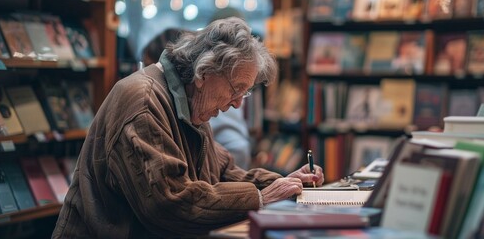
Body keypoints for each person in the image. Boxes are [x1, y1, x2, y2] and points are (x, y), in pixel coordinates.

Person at [52, 17, 324, 238]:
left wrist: (284, 183)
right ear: (204, 74)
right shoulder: (144, 102)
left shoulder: (190, 102)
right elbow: (170, 203)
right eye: (236, 89)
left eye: (246, 93)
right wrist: (260, 198)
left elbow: (223, 172)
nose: (238, 104)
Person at [142, 27, 252, 169]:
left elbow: (216, 165)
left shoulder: (199, 100)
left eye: (148, 64)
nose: (238, 103)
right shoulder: (156, 101)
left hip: (236, 153)